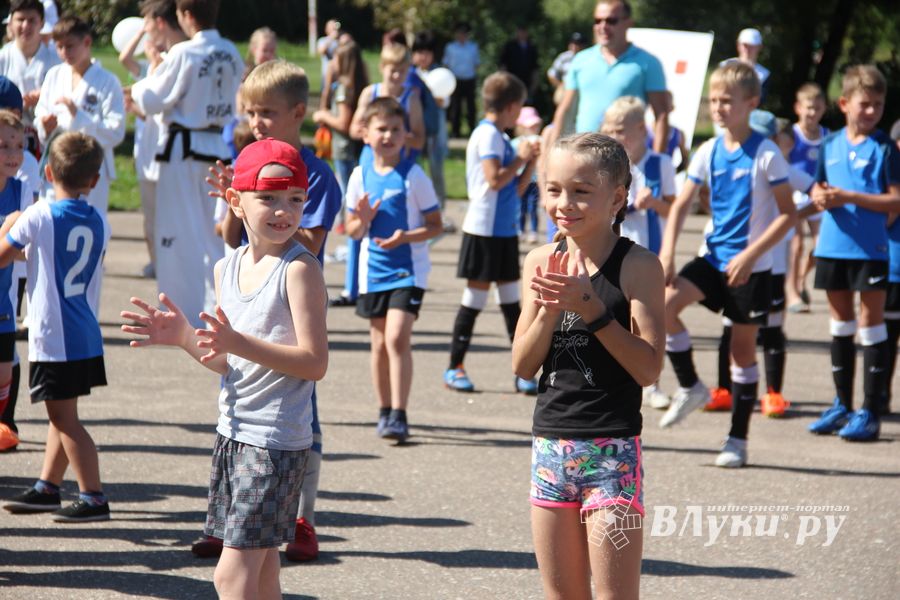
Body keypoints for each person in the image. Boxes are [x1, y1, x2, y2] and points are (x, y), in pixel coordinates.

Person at [122, 138, 328, 599]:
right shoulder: (225, 267)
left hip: (274, 443)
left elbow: (314, 363)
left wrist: (240, 342)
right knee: (264, 570)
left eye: (295, 199)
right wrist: (181, 337)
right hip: (234, 434)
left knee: (229, 575)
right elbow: (224, 360)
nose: (283, 211)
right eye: (269, 198)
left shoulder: (299, 270)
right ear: (235, 201)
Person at [199, 58, 343, 563]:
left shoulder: (316, 173)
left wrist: (263, 205)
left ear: (297, 112)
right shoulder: (246, 162)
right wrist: (236, 209)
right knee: (242, 408)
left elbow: (308, 236)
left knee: (301, 421)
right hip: (254, 293)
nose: (256, 121)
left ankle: (301, 516)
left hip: (292, 304)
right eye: (250, 112)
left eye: (266, 112)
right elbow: (231, 240)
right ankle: (241, 520)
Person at [513, 132, 664, 599]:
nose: (565, 203)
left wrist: (593, 310)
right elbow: (522, 364)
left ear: (617, 197)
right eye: (553, 189)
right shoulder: (540, 260)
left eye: (581, 191)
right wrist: (552, 308)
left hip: (612, 451)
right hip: (551, 449)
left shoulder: (638, 265)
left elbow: (649, 368)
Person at [657, 62, 796, 468]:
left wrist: (752, 255)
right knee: (663, 306)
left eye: (726, 101)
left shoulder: (766, 153)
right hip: (713, 257)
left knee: (741, 353)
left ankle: (737, 439)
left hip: (752, 267)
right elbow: (682, 203)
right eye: (713, 100)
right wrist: (667, 252)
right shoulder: (708, 149)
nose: (717, 108)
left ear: (751, 103)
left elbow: (788, 214)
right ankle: (691, 386)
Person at [1, 131, 110, 521]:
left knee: (65, 420)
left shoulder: (39, 214)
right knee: (60, 414)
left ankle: (93, 495)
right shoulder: (98, 219)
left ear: (47, 172)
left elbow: (2, 256)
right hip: (84, 330)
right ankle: (48, 486)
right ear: (94, 180)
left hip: (54, 334)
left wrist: (8, 225)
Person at [127, 0, 243, 329]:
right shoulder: (232, 51)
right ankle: (222, 308)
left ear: (186, 15)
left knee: (179, 230)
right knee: (213, 229)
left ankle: (186, 313)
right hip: (217, 146)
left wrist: (136, 88)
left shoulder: (185, 53)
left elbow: (153, 99)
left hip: (184, 149)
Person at [806, 65, 900, 442]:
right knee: (840, 325)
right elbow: (818, 188)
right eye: (865, 104)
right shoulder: (828, 146)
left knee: (872, 325)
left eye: (878, 105)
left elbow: (895, 199)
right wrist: (818, 196)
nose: (871, 112)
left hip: (871, 250)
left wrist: (846, 197)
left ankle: (871, 410)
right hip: (832, 247)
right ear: (844, 104)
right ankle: (842, 404)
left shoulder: (884, 148)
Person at [704, 113, 817, 418]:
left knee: (772, 329)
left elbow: (818, 196)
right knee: (731, 326)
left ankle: (773, 393)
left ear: (782, 142)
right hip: (736, 262)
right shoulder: (732, 161)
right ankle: (724, 389)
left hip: (773, 265)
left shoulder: (785, 170)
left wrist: (796, 215)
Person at [345, 97, 441, 442]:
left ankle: (400, 413)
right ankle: (384, 410)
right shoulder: (360, 175)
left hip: (408, 270)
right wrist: (363, 220)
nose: (388, 135)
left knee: (397, 337)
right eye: (381, 129)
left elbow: (435, 225)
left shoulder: (413, 176)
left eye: (395, 129)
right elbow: (352, 229)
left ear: (406, 135)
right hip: (372, 273)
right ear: (365, 134)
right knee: (379, 344)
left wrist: (406, 237)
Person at [444, 72, 539, 394]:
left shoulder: (498, 136)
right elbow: (494, 179)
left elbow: (516, 186)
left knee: (512, 301)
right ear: (511, 107)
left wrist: (529, 164)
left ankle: (522, 370)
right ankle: (454, 366)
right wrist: (520, 159)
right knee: (475, 298)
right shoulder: (487, 135)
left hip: (504, 229)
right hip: (483, 229)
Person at [333, 43, 425, 308]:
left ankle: (397, 284)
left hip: (399, 165)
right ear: (382, 68)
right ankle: (353, 289)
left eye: (402, 70)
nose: (396, 76)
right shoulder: (369, 93)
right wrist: (376, 131)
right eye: (391, 70)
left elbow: (419, 139)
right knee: (359, 221)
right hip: (370, 161)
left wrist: (401, 137)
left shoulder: (412, 97)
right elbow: (353, 130)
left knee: (390, 224)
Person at [601, 95, 675, 411]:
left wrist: (654, 203)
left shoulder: (661, 163)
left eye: (621, 131)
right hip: (613, 251)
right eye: (610, 130)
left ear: (641, 129)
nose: (615, 137)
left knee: (647, 320)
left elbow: (675, 208)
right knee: (614, 316)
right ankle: (612, 379)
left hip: (650, 252)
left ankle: (652, 383)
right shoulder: (607, 165)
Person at [549, 1, 668, 153]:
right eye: (597, 20)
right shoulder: (580, 60)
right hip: (584, 155)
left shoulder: (648, 63)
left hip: (628, 159)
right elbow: (565, 111)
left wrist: (657, 161)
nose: (603, 26)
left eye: (611, 20)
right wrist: (552, 156)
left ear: (628, 23)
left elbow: (661, 115)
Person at [35, 16, 125, 217]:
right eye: (59, 47)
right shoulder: (54, 75)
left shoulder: (108, 81)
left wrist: (78, 115)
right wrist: (45, 124)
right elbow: (40, 111)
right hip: (57, 160)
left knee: (89, 223)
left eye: (69, 46)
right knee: (53, 220)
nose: (64, 53)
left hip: (92, 165)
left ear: (87, 42)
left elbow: (116, 131)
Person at [119, 10, 165, 279]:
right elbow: (124, 57)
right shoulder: (143, 71)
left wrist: (134, 108)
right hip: (146, 150)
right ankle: (155, 261)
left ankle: (167, 262)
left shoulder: (167, 68)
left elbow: (152, 111)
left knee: (165, 214)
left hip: (164, 151)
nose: (151, 47)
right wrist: (140, 31)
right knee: (149, 215)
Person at [0, 111, 29, 452]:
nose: (12, 154)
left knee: (5, 374)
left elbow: (21, 251)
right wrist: (9, 232)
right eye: (4, 145)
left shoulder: (21, 191)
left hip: (4, 303)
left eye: (18, 146)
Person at [785, 83, 829, 313]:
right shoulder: (791, 135)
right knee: (796, 245)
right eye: (808, 107)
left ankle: (802, 277)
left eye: (817, 108)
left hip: (817, 198)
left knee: (822, 246)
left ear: (824, 109)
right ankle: (792, 293)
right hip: (793, 197)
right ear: (798, 108)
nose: (812, 113)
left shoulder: (827, 136)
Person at [312, 39, 367, 217]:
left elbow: (344, 123)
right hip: (357, 148)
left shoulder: (344, 89)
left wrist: (323, 116)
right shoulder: (361, 85)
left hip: (344, 148)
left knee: (346, 188)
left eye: (335, 59)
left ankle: (345, 222)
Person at [0, 0, 60, 157]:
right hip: (6, 140)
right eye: (20, 19)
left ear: (42, 23)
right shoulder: (2, 58)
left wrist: (44, 96)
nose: (26, 26)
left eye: (32, 20)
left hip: (47, 139)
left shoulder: (56, 60)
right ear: (11, 23)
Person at [411, 31, 450, 216]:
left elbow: (444, 101)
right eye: (419, 52)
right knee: (417, 168)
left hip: (435, 131)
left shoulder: (440, 73)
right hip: (417, 129)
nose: (423, 57)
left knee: (436, 168)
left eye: (427, 52)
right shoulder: (411, 75)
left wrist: (435, 96)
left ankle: (439, 208)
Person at [546, 32, 587, 138]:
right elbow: (551, 74)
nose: (574, 46)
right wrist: (561, 86)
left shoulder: (587, 58)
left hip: (582, 93)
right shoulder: (564, 57)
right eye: (573, 43)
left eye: (577, 43)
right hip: (566, 92)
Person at [512, 106, 542, 244]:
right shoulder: (515, 143)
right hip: (521, 180)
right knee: (521, 207)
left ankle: (534, 231)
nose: (534, 128)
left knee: (533, 207)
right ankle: (521, 230)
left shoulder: (540, 141)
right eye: (530, 126)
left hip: (535, 180)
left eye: (536, 125)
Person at [444, 22, 479, 138]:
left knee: (471, 107)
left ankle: (472, 129)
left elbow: (476, 64)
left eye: (464, 33)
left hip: (469, 79)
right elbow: (446, 64)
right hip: (455, 80)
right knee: (455, 107)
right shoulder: (450, 47)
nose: (462, 36)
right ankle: (455, 131)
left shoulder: (473, 47)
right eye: (460, 33)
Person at [721, 28, 770, 103]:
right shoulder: (725, 65)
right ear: (738, 45)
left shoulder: (764, 74)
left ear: (760, 47)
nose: (748, 49)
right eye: (745, 45)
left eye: (752, 46)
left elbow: (759, 100)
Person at [499, 26, 539, 103]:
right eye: (520, 31)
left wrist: (534, 83)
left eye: (524, 31)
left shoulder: (532, 47)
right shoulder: (509, 46)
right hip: (512, 80)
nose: (522, 34)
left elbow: (535, 68)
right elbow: (503, 64)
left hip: (527, 81)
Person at [316, 19, 340, 91]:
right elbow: (321, 51)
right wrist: (331, 38)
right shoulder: (322, 40)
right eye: (331, 27)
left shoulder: (341, 41)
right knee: (326, 92)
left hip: (338, 76)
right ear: (327, 29)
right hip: (326, 73)